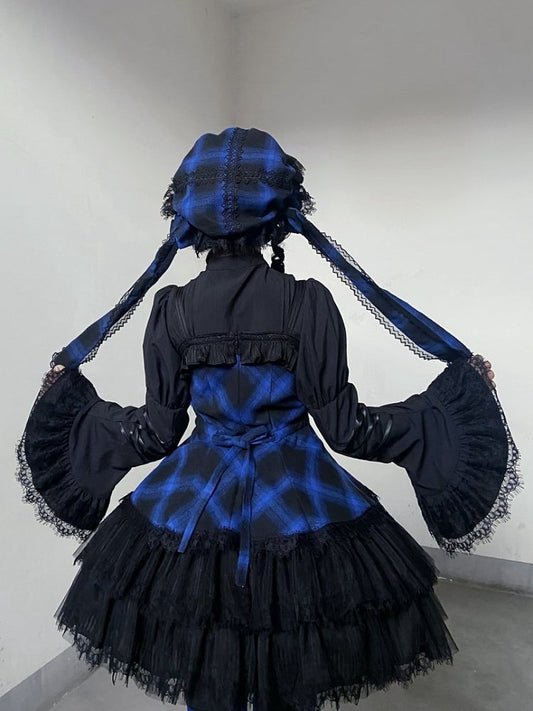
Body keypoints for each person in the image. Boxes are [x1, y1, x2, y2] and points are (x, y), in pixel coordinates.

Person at [16, 127, 521, 711]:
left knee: (209, 663)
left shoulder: (172, 309)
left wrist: (76, 413)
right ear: (277, 219)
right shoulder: (307, 303)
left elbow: (157, 432)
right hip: (298, 501)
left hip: (194, 505)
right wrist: (448, 409)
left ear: (193, 223)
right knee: (292, 660)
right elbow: (347, 429)